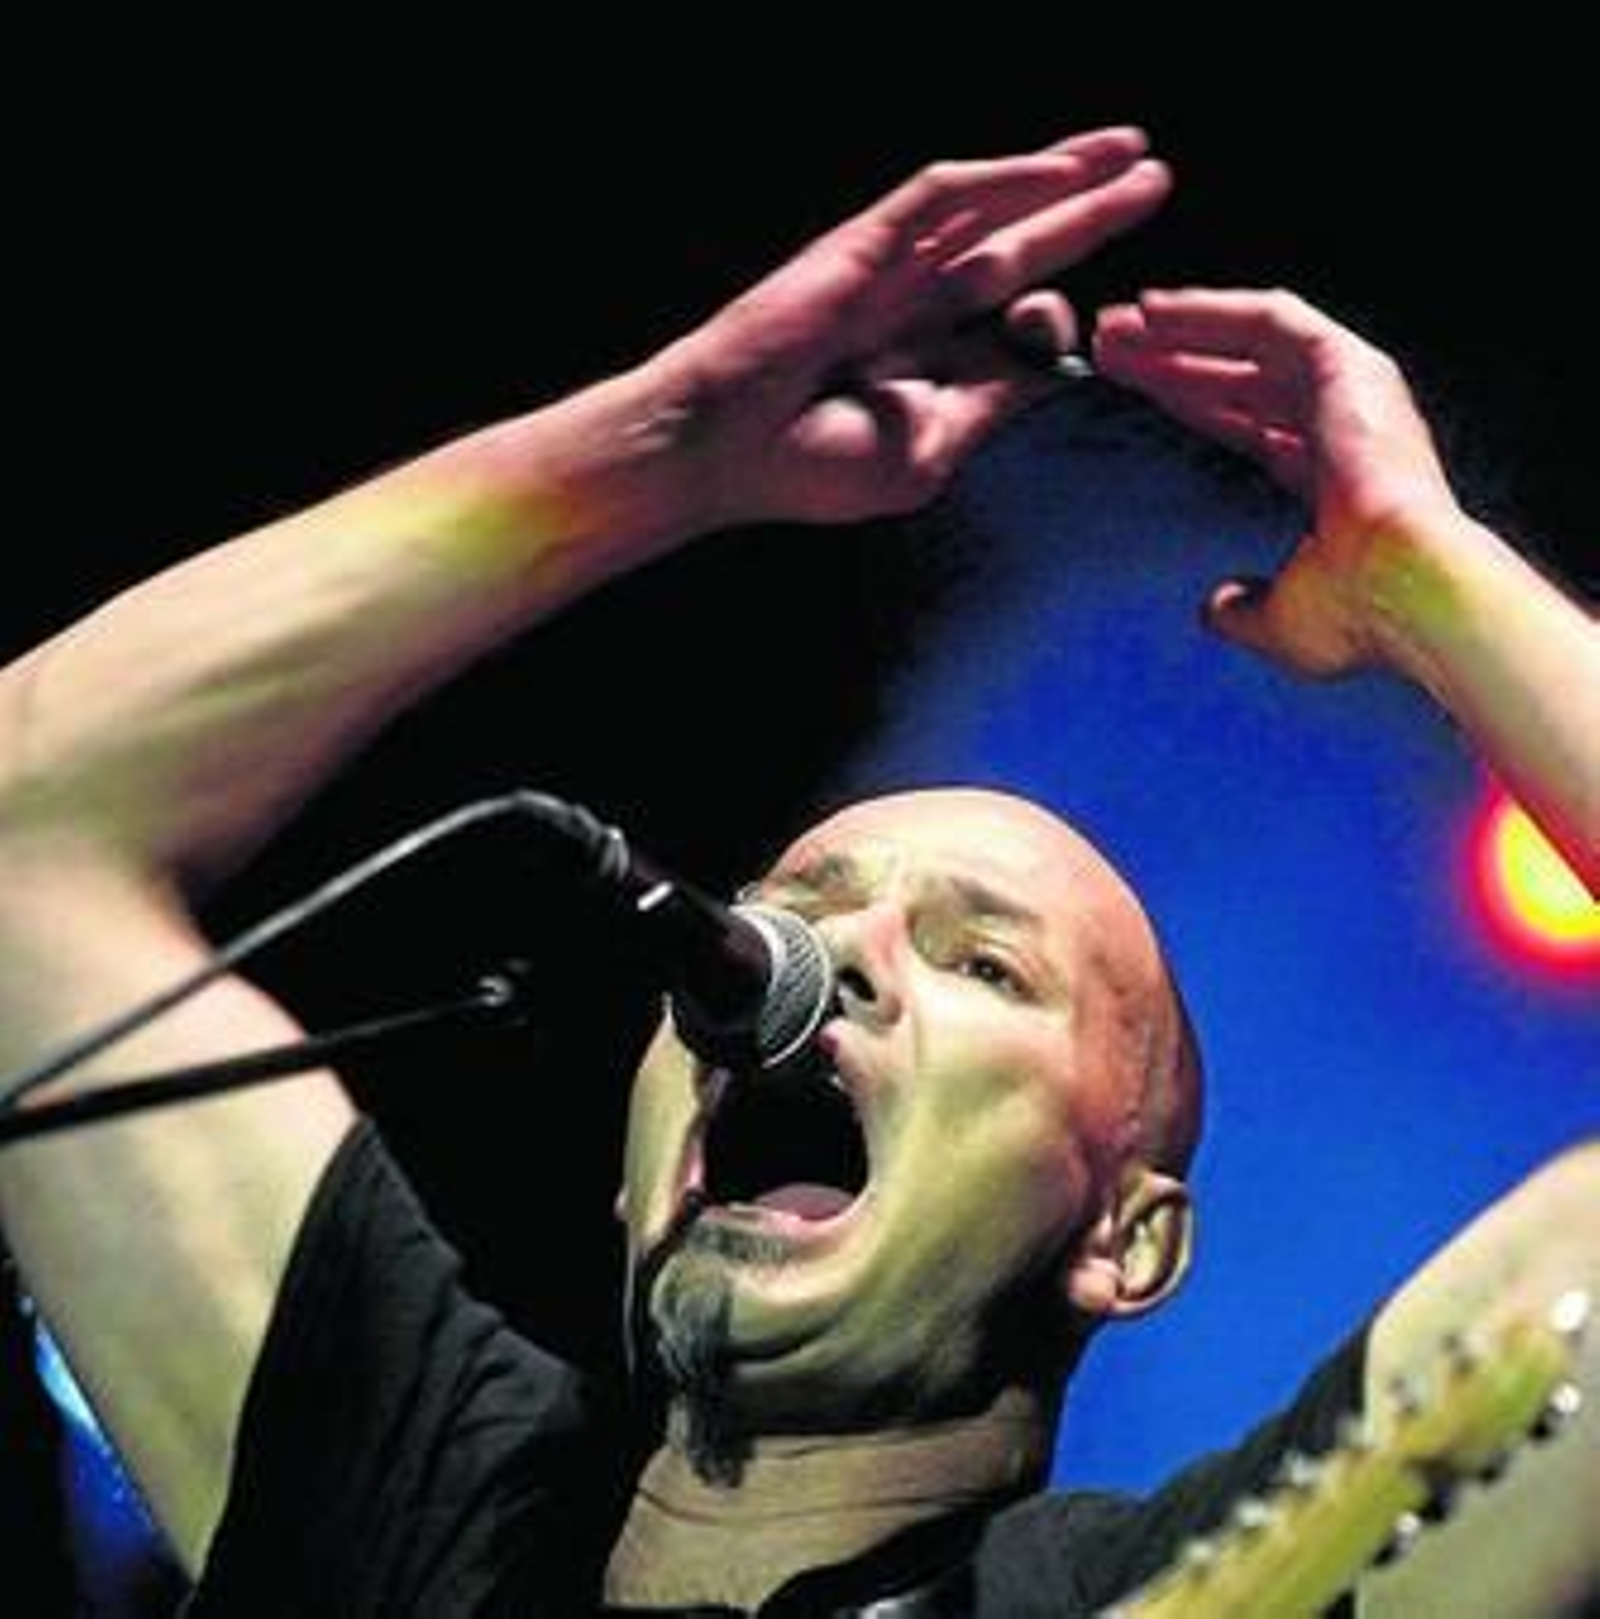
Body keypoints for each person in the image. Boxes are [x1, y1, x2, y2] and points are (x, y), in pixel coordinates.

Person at [0, 122, 1595, 1616]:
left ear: (1125, 1239)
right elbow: (26, 824)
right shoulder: (419, 1506)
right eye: (791, 916)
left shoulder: (1193, 1583)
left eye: (983, 966)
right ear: (634, 1169)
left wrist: (1428, 583)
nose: (829, 965)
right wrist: (651, 449)